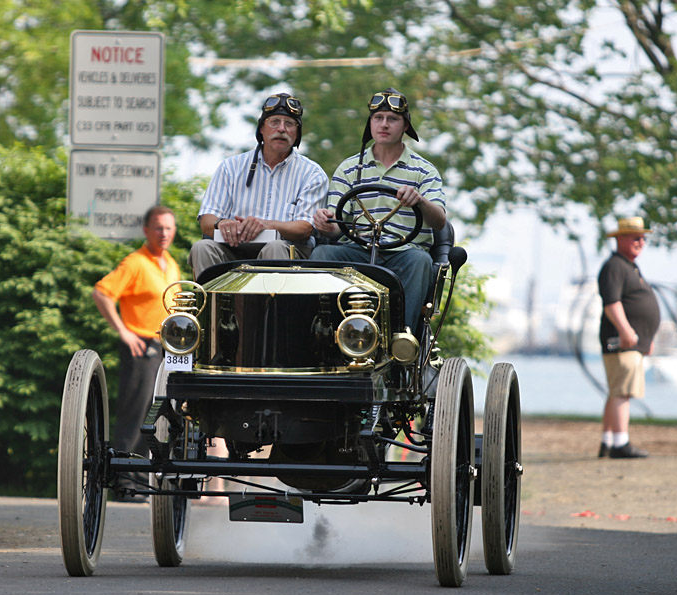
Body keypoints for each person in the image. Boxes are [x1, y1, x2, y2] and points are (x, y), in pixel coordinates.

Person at [311, 87, 447, 330]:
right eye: (378, 118)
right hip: (357, 250)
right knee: (322, 255)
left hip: (404, 252)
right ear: (371, 123)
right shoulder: (350, 168)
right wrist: (324, 221)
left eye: (392, 119)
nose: (384, 124)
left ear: (405, 126)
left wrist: (420, 200)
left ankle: (403, 340)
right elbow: (335, 227)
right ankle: (325, 333)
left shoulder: (424, 171)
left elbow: (439, 222)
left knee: (420, 261)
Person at [190, 92, 328, 277]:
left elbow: (305, 228)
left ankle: (271, 307)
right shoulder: (230, 167)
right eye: (274, 122)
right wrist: (224, 224)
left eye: (289, 124)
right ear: (261, 129)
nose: (281, 129)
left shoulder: (312, 173)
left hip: (288, 250)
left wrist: (266, 225)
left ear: (297, 134)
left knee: (275, 247)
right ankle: (212, 305)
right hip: (233, 247)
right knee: (202, 247)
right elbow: (207, 221)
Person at [92, 205, 180, 479]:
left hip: (167, 349)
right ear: (146, 230)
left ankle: (141, 480)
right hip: (141, 346)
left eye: (168, 227)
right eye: (158, 228)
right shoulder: (135, 263)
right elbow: (102, 292)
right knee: (136, 413)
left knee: (158, 415)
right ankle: (122, 478)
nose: (163, 233)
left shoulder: (171, 263)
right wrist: (123, 331)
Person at [597, 216, 661, 459]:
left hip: (634, 341)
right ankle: (620, 443)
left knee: (616, 390)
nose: (641, 242)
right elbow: (612, 304)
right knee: (622, 391)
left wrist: (647, 337)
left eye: (643, 238)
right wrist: (625, 331)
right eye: (636, 237)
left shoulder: (629, 266)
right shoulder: (615, 266)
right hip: (622, 341)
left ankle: (608, 440)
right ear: (620, 239)